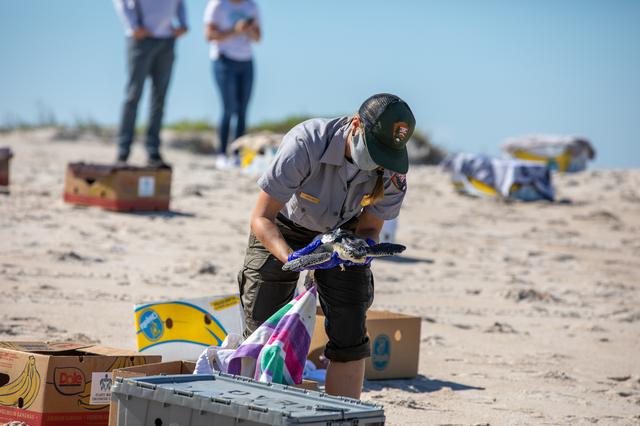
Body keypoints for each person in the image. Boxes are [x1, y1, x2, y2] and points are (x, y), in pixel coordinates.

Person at [237, 93, 415, 399]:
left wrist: (361, 251)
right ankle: (256, 409)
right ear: (356, 125)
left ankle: (343, 413)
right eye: (374, 151)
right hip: (282, 227)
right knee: (262, 329)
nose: (377, 162)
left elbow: (371, 227)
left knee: (350, 335)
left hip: (343, 234)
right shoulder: (306, 143)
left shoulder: (393, 170)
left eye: (385, 156)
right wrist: (293, 259)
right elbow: (261, 217)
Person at [113, 0, 188, 167]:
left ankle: (153, 150)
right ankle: (123, 150)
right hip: (141, 40)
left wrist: (183, 23)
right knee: (133, 95)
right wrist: (133, 25)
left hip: (167, 41)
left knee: (159, 98)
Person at [203, 0, 261, 167]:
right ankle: (222, 154)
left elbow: (258, 37)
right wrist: (234, 30)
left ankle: (238, 155)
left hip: (246, 61)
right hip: (223, 60)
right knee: (228, 107)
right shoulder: (217, 5)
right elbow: (208, 35)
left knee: (242, 110)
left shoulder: (252, 6)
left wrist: (248, 30)